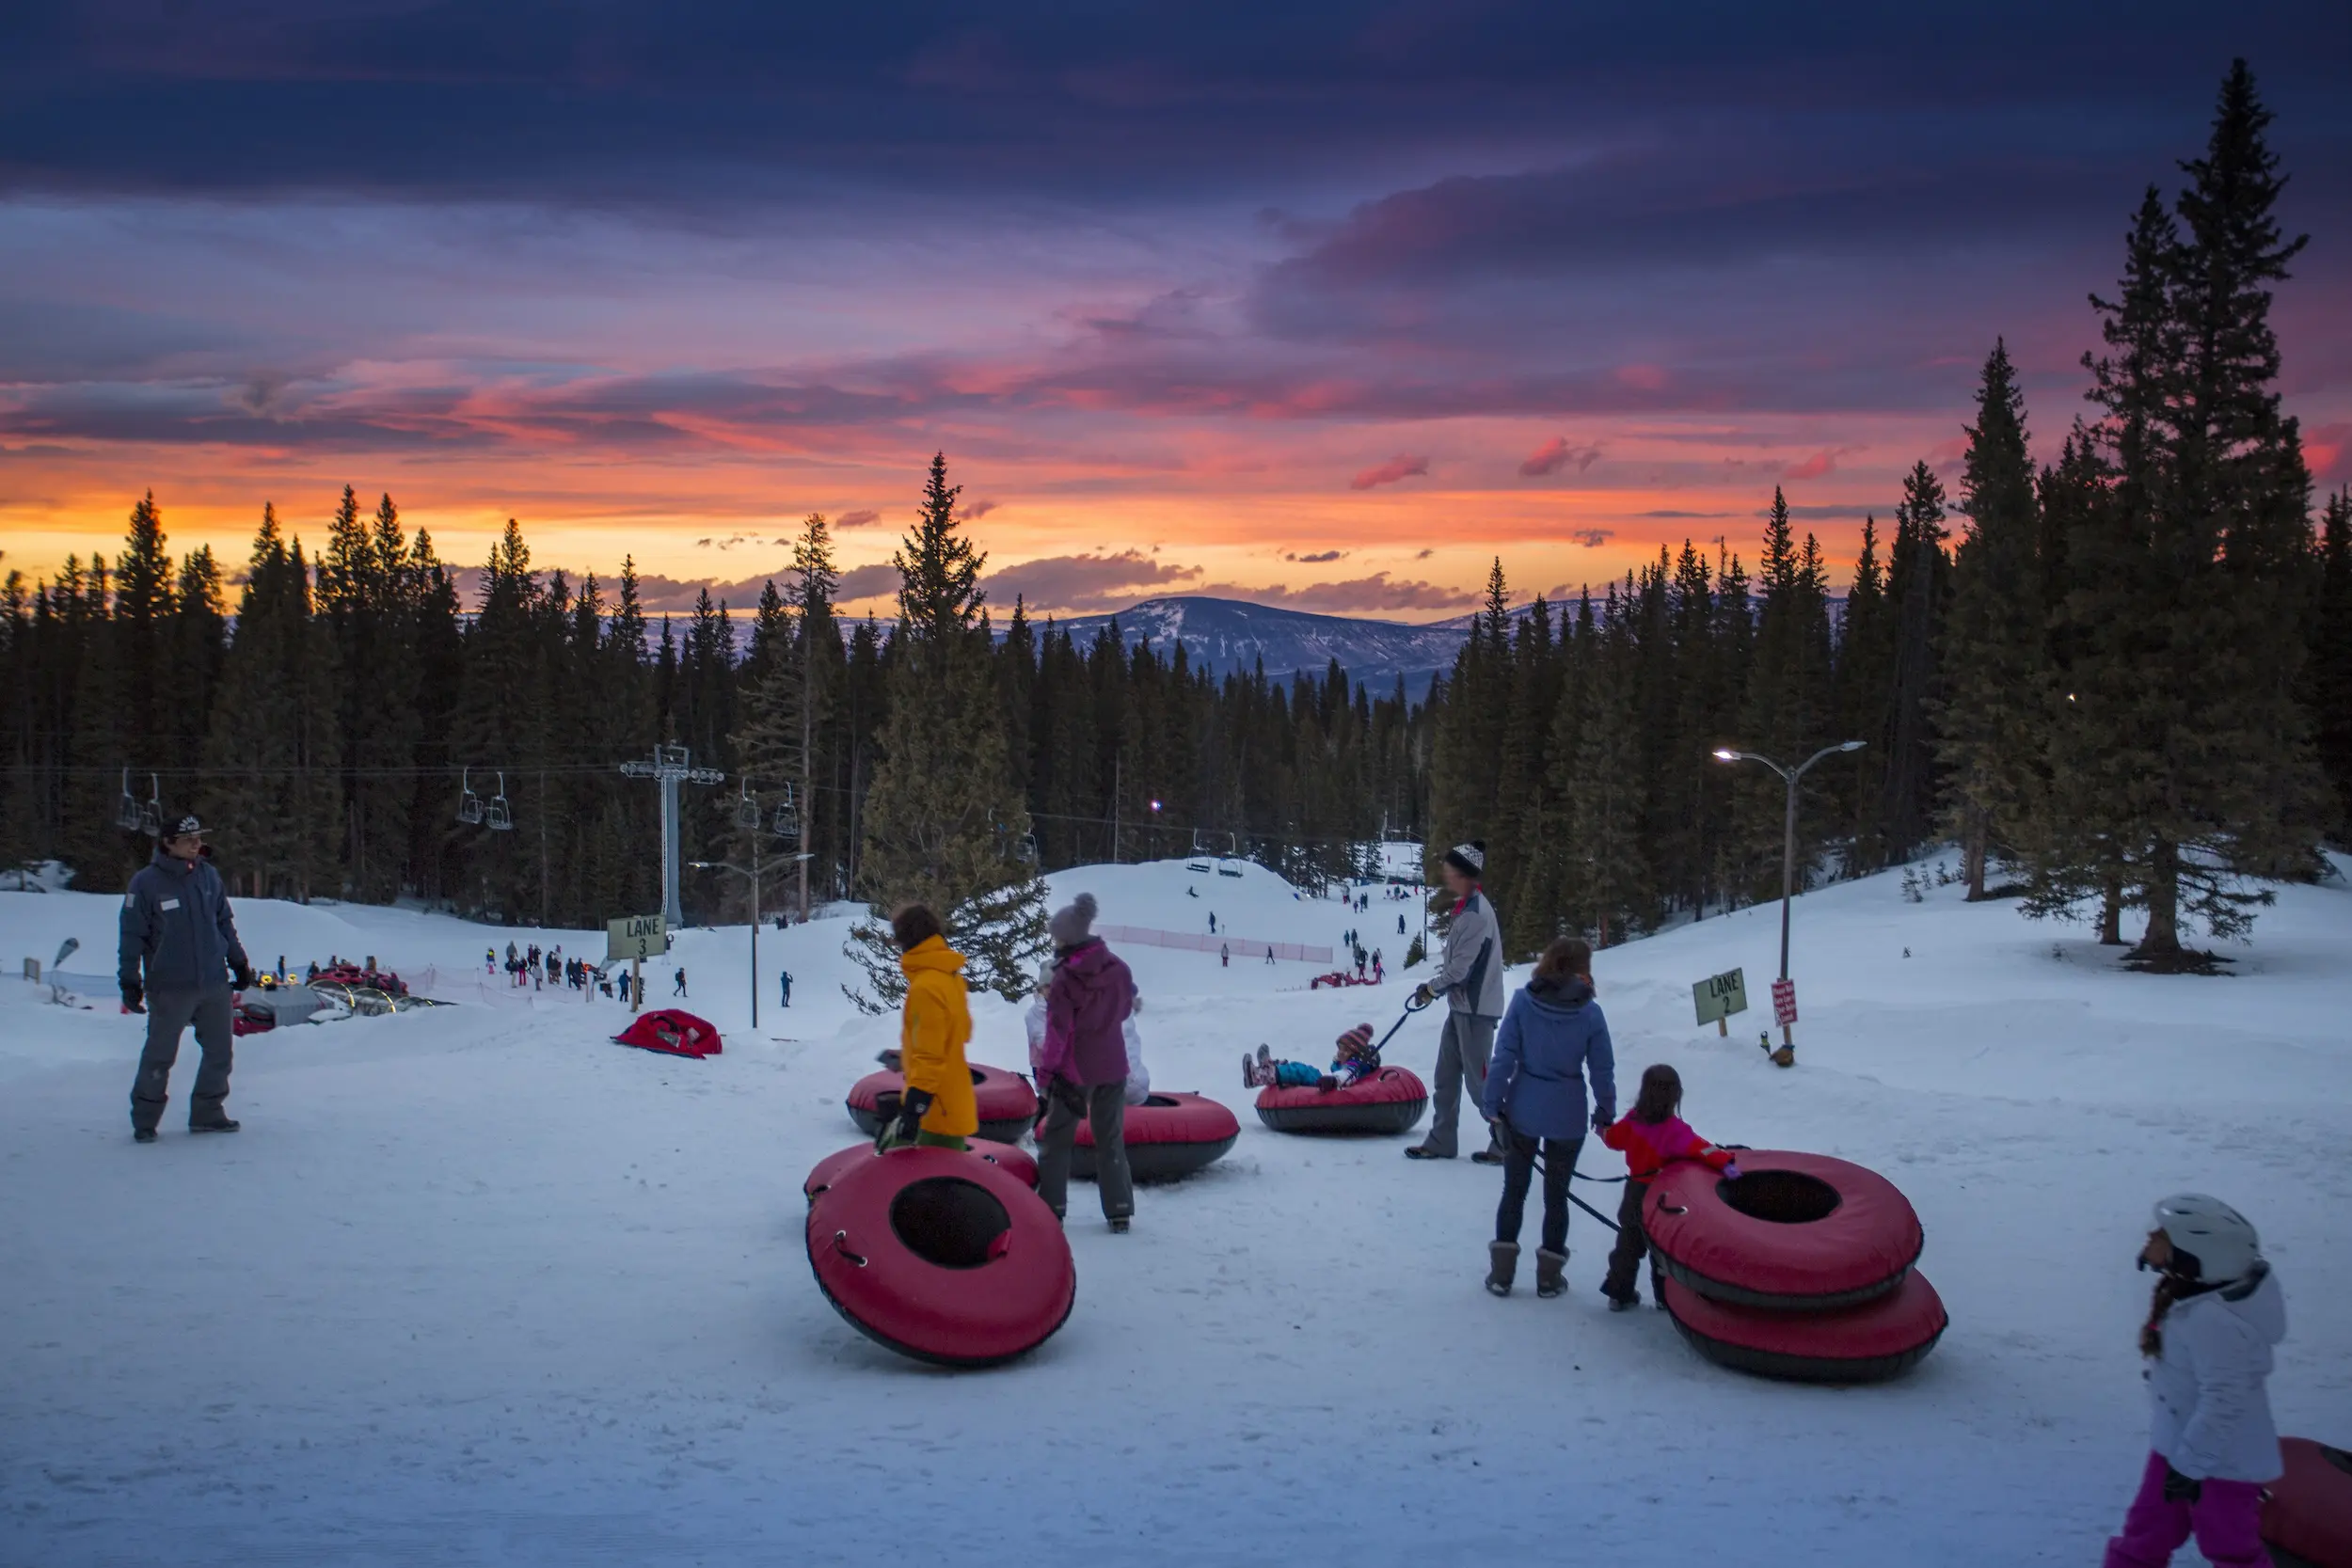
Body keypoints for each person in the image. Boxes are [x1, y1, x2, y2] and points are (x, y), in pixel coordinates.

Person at [2102, 1195, 2286, 1568]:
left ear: (2193, 1254)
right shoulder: (2187, 1294)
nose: (2149, 1239)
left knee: (2231, 1547)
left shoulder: (2215, 1322)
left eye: (2161, 1236)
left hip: (2223, 1462)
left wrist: (2190, 1468)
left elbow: (2224, 1401)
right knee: (2146, 1532)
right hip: (2177, 1447)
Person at [1479, 938, 1616, 1298]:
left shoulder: (1524, 1001)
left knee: (1514, 1191)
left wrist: (1492, 1102)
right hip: (1568, 1113)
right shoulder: (1590, 1012)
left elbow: (1504, 1055)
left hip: (1523, 1108)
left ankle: (1502, 1275)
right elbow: (1602, 1069)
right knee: (1557, 1196)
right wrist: (1605, 1111)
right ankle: (1548, 1278)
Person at [118, 812, 255, 1143]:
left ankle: (208, 1113)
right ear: (167, 843)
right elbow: (131, 935)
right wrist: (130, 980)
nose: (197, 845)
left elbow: (224, 922)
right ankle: (146, 1120)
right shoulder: (146, 883)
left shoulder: (208, 877)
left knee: (220, 1053)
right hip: (169, 987)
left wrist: (238, 961)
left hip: (213, 983)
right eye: (188, 840)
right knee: (160, 1056)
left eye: (199, 838)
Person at [1033, 893, 1137, 1232]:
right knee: (1110, 1139)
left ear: (1068, 938)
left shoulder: (1064, 978)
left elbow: (1057, 1034)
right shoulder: (1119, 968)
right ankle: (1119, 1210)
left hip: (1074, 1072)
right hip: (1113, 1066)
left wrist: (1046, 1076)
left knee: (1057, 1140)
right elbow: (1124, 1011)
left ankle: (1052, 1209)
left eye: (1057, 937)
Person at [1598, 1064, 1738, 1309]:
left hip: (1635, 1192)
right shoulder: (1676, 1130)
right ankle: (1666, 1298)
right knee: (1662, 1247)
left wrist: (1603, 1130)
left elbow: (1613, 1140)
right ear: (1675, 1096)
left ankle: (1619, 1294)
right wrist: (1726, 1162)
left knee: (1628, 1244)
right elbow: (1702, 1148)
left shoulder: (1632, 1121)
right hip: (1663, 1196)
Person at [1406, 841, 1506, 1164]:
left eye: (1450, 871)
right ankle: (1441, 1140)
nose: (1446, 877)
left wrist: (1432, 988)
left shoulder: (1477, 915)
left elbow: (1460, 971)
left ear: (1464, 875)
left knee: (1480, 1085)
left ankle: (1507, 1142)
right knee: (1446, 1077)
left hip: (1476, 1011)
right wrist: (1435, 989)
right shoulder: (1466, 908)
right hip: (1461, 1007)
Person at [876, 904, 978, 1152]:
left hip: (934, 1113)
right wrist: (908, 1057)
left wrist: (914, 1108)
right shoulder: (949, 977)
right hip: (953, 1101)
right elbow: (959, 1033)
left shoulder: (925, 987)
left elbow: (931, 1055)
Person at [1243, 1024, 1381, 1090]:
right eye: (1340, 1049)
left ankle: (1260, 1076)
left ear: (1356, 1053)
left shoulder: (1355, 1064)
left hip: (1331, 1087)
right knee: (1299, 1068)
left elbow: (1348, 1074)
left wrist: (1334, 1080)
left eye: (1346, 1050)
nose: (1340, 1053)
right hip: (1329, 1085)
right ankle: (1270, 1066)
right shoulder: (1348, 1062)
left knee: (1304, 1071)